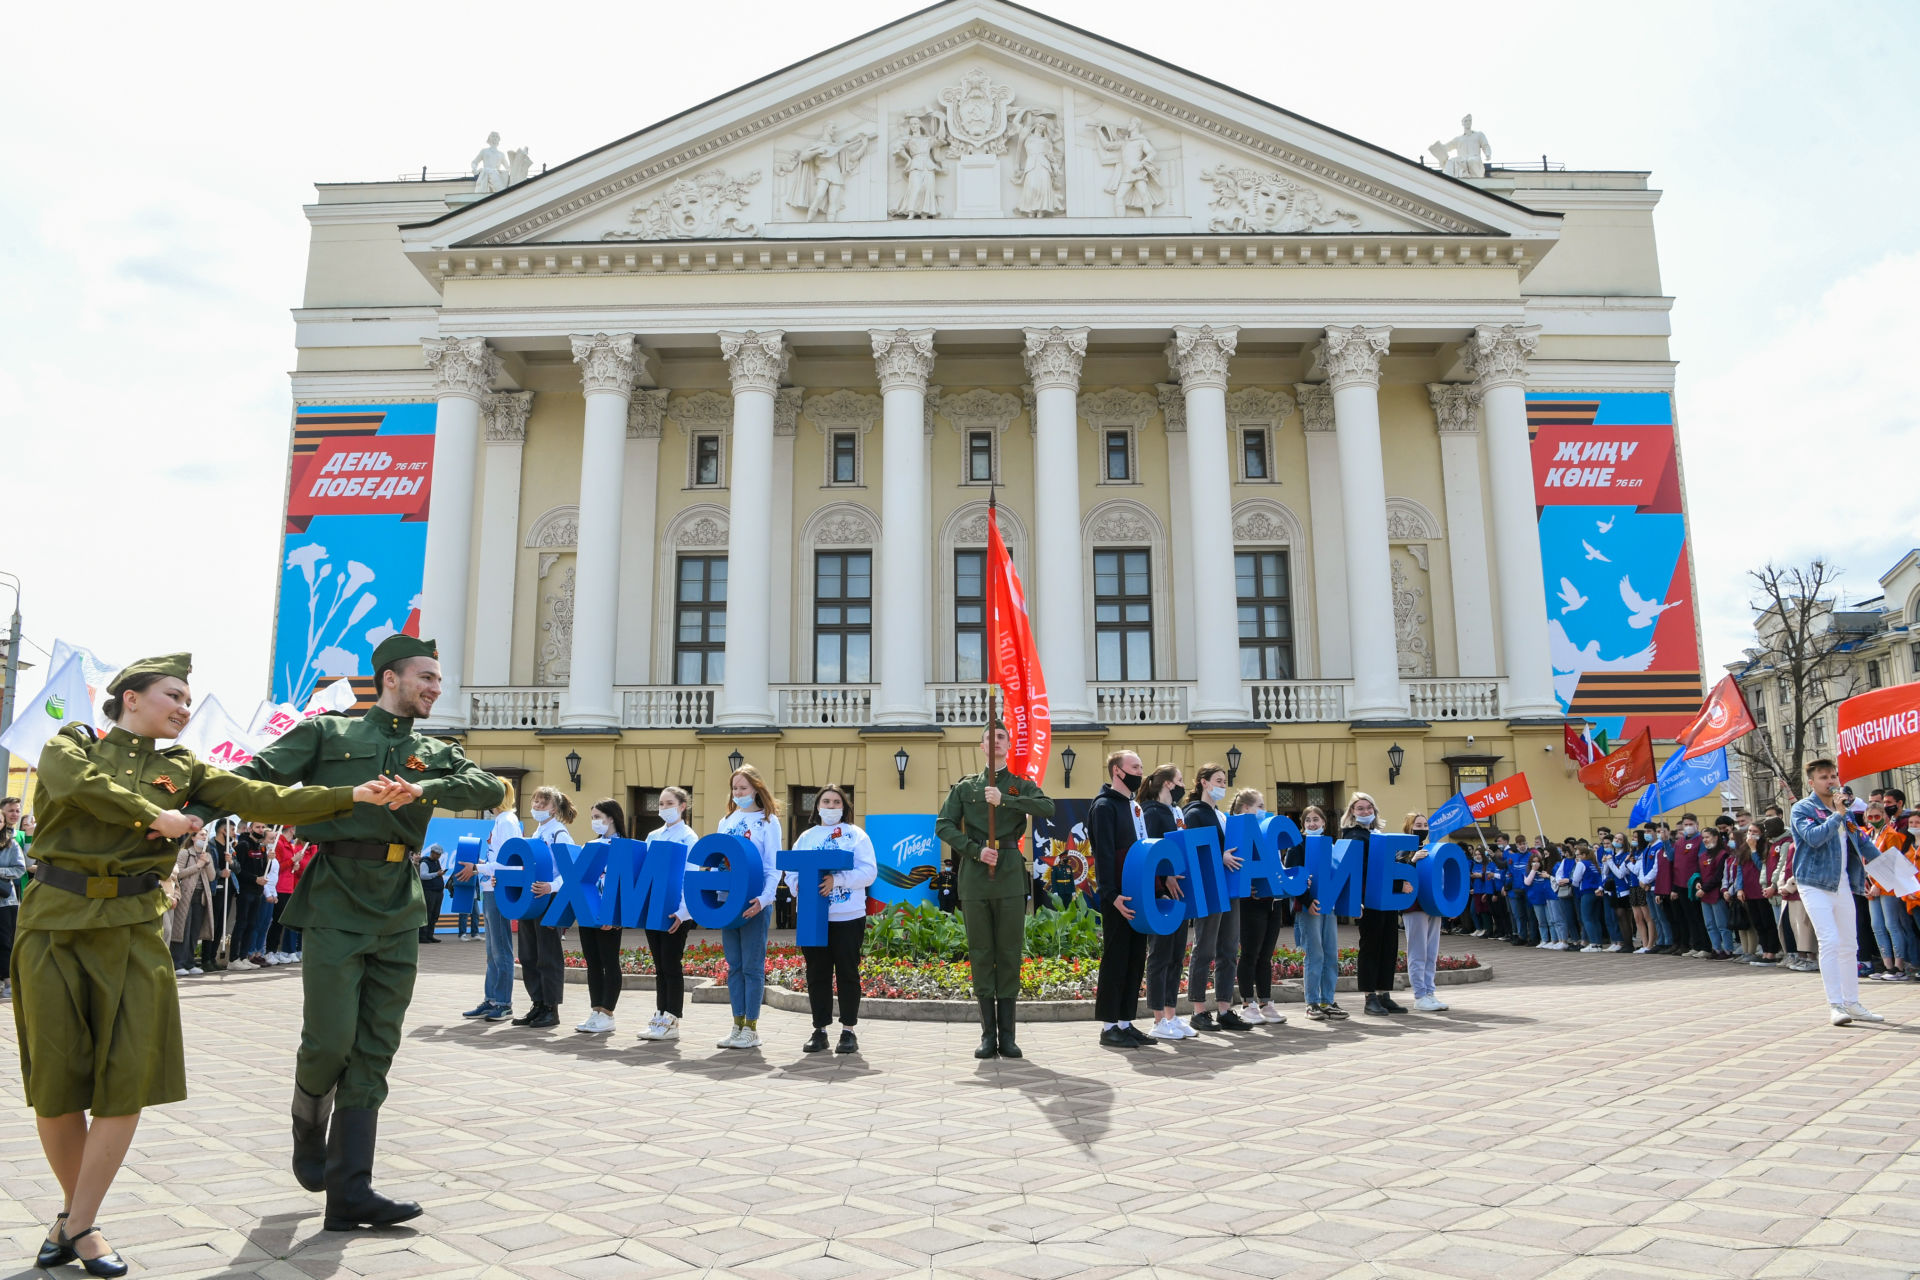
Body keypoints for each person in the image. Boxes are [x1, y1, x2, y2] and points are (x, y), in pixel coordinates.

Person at [17, 653, 403, 1274]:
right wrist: (155, 815)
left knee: (127, 1078)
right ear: (130, 698)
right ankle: (78, 1218)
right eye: (172, 694)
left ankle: (78, 1224)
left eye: (187, 699)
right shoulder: (75, 740)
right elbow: (76, 786)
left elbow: (263, 794)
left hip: (135, 928)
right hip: (54, 923)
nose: (182, 707)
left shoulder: (188, 768)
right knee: (56, 1082)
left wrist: (350, 795)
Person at [187, 634, 506, 1231]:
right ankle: (308, 1127)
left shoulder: (434, 752)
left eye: (439, 680)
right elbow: (252, 777)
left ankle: (350, 1190)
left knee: (376, 1046)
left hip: (399, 905)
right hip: (336, 896)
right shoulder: (329, 734)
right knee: (329, 1041)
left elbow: (491, 790)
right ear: (390, 678)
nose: (437, 688)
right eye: (427, 678)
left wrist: (425, 788)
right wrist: (190, 816)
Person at [934, 720, 1054, 1059]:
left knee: (1009, 952)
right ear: (982, 746)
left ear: (1009, 744)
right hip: (975, 872)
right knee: (982, 952)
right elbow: (943, 824)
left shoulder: (1017, 786)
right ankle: (988, 1035)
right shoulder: (966, 787)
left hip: (1010, 873)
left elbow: (1046, 807)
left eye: (1002, 737)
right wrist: (973, 850)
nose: (996, 741)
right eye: (990, 737)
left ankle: (1010, 1036)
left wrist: (1006, 800)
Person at [784, 783, 877, 1054]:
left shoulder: (856, 836)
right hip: (813, 915)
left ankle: (848, 1031)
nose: (831, 806)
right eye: (826, 801)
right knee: (817, 973)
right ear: (817, 806)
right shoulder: (806, 838)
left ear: (844, 807)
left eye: (837, 802)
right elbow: (791, 871)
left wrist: (836, 880)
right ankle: (819, 1029)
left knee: (848, 972)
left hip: (847, 916)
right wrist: (797, 885)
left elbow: (869, 872)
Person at [1790, 759, 1883, 1026]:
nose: (1831, 781)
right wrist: (1838, 815)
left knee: (1849, 944)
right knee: (1829, 940)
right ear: (1812, 782)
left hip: (1842, 883)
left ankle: (1853, 1003)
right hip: (1814, 883)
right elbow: (1814, 838)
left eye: (1833, 776)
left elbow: (1863, 843)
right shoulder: (1803, 809)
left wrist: (1891, 870)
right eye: (1823, 777)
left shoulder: (1845, 810)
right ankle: (1836, 1005)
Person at [715, 765, 783, 1050]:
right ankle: (737, 1024)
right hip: (728, 901)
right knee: (734, 966)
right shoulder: (726, 820)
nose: (739, 793)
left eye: (743, 787)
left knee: (752, 967)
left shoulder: (768, 822)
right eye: (735, 788)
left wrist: (764, 899)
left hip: (754, 902)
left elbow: (772, 865)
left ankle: (751, 1029)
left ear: (756, 788)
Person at [1089, 749, 1150, 1048]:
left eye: (1141, 766)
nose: (1140, 772)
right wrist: (1110, 895)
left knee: (1135, 957)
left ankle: (1126, 1022)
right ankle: (1108, 1026)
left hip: (1137, 893)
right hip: (1117, 898)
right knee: (1115, 959)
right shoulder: (1104, 807)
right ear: (1117, 771)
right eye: (1134, 767)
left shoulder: (1134, 807)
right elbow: (1103, 855)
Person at [1185, 764, 1252, 1030]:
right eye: (1218, 780)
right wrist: (1219, 857)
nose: (1223, 785)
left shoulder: (1221, 815)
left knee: (1228, 948)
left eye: (1225, 781)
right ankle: (1199, 1010)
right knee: (1205, 948)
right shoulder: (1194, 813)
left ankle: (1225, 1009)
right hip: (1209, 888)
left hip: (1229, 888)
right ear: (1204, 782)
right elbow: (1193, 850)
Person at [636, 787, 698, 1042]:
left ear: (683, 806)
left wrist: (683, 912)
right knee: (659, 966)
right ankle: (660, 1014)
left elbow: (689, 876)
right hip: (654, 908)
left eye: (669, 803)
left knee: (672, 965)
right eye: (661, 803)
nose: (663, 807)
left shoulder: (689, 837)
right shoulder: (652, 836)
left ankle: (672, 1018)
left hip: (676, 911)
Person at [512, 786, 575, 1030]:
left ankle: (551, 1008)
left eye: (542, 803)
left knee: (547, 955)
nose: (537, 806)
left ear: (554, 808)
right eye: (535, 801)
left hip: (548, 899)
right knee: (529, 954)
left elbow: (571, 870)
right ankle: (537, 1004)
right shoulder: (537, 832)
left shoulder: (559, 833)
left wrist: (551, 886)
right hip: (530, 898)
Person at [460, 783, 520, 1022]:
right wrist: (481, 867)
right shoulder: (501, 821)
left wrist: (478, 867)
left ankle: (503, 1002)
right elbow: (499, 857)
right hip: (490, 886)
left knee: (501, 947)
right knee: (492, 949)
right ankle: (492, 999)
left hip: (498, 887)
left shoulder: (507, 821)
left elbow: (512, 862)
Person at [1140, 763, 1192, 1038]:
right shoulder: (1151, 812)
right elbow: (1150, 851)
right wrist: (1165, 877)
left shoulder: (1173, 812)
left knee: (1175, 955)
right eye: (1180, 780)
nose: (1184, 786)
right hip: (1160, 893)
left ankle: (1171, 1014)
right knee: (1160, 955)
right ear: (1168, 784)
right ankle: (1158, 1019)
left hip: (1178, 892)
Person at [1232, 789, 1288, 1026]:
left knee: (1265, 955)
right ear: (1246, 808)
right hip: (1251, 903)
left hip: (1273, 901)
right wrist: (1247, 887)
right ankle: (1248, 1003)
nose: (1264, 810)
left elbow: (1276, 865)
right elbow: (1234, 866)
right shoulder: (1237, 831)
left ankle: (1266, 1001)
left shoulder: (1267, 833)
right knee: (1250, 954)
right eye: (1259, 805)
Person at [1345, 794, 1403, 1016]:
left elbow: (1388, 867)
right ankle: (1369, 997)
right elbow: (1358, 870)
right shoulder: (1354, 836)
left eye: (1369, 808)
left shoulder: (1378, 835)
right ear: (1352, 812)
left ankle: (1384, 994)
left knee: (1389, 946)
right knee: (1370, 948)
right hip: (1368, 900)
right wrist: (1356, 900)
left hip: (1386, 898)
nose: (1366, 812)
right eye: (1360, 808)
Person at [575, 799, 629, 1034]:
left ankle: (608, 1012)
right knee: (593, 963)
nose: (594, 821)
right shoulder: (591, 845)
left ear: (612, 818)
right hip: (589, 911)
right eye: (593, 817)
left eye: (598, 817)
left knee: (609, 961)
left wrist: (616, 914)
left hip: (609, 913)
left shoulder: (624, 846)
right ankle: (596, 1010)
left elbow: (626, 884)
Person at [1292, 804, 1346, 1018]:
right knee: (1315, 955)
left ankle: (1328, 1000)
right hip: (1309, 909)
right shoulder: (1298, 847)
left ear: (1324, 822)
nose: (1312, 823)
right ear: (1303, 825)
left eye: (1316, 819)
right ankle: (1312, 1003)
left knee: (1331, 955)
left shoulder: (1331, 846)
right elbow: (1292, 878)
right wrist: (1307, 900)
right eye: (1308, 820)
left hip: (1329, 908)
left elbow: (1339, 876)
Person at [1397, 813, 1447, 1011]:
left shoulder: (1430, 849)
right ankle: (1419, 995)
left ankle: (1430, 992)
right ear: (1409, 826)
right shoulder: (1403, 850)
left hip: (1432, 905)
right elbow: (1397, 875)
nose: (1422, 828)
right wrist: (1412, 861)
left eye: (1425, 824)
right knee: (1418, 952)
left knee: (1431, 951)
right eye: (1418, 824)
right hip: (1414, 907)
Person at [1864, 801, 1918, 982]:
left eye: (1877, 817)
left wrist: (1879, 884)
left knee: (1892, 925)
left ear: (1884, 816)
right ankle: (1887, 965)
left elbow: (1894, 863)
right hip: (1871, 886)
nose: (1873, 820)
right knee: (1877, 926)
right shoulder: (1869, 835)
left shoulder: (1891, 834)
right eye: (1870, 817)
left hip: (1888, 886)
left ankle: (1899, 966)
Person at [165, 831, 215, 976]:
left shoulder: (207, 855)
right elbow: (178, 874)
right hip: (186, 895)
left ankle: (189, 961)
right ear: (193, 838)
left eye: (205, 835)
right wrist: (198, 865)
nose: (204, 837)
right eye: (201, 835)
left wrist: (207, 862)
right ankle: (177, 962)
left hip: (201, 897)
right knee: (182, 930)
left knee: (194, 931)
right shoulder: (185, 853)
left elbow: (212, 877)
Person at [228, 822, 271, 968]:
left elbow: (263, 869)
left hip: (257, 892)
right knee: (241, 923)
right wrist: (254, 879)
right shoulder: (243, 845)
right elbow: (239, 870)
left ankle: (243, 956)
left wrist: (268, 859)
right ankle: (233, 959)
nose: (261, 830)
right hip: (245, 891)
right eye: (258, 827)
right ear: (250, 828)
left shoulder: (261, 847)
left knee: (252, 924)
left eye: (262, 827)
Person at [0, 796, 27, 1001]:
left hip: (5, 902)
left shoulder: (10, 844)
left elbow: (20, 869)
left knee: (6, 942)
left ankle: (10, 983)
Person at [1697, 828, 1733, 959]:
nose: (1705, 840)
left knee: (1722, 924)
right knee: (1710, 924)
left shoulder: (1722, 854)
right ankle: (1716, 949)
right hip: (1705, 894)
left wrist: (1704, 889)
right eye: (1703, 838)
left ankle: (1728, 949)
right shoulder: (1703, 855)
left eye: (1707, 837)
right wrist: (1699, 882)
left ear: (1716, 837)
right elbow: (1701, 873)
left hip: (1716, 894)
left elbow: (1718, 876)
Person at [1524, 850, 1560, 948]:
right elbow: (1527, 882)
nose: (1536, 863)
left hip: (1546, 898)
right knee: (1541, 921)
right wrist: (1533, 870)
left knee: (1550, 920)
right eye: (1533, 861)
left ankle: (1554, 939)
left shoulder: (1545, 871)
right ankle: (1544, 939)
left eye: (1537, 861)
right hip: (1536, 899)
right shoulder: (1528, 872)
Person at [416, 842, 445, 946]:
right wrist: (437, 874)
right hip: (429, 891)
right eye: (437, 854)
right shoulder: (425, 862)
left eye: (440, 854)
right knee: (428, 913)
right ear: (432, 853)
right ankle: (422, 936)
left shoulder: (436, 862)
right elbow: (423, 876)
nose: (438, 856)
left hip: (437, 892)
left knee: (434, 914)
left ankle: (430, 935)